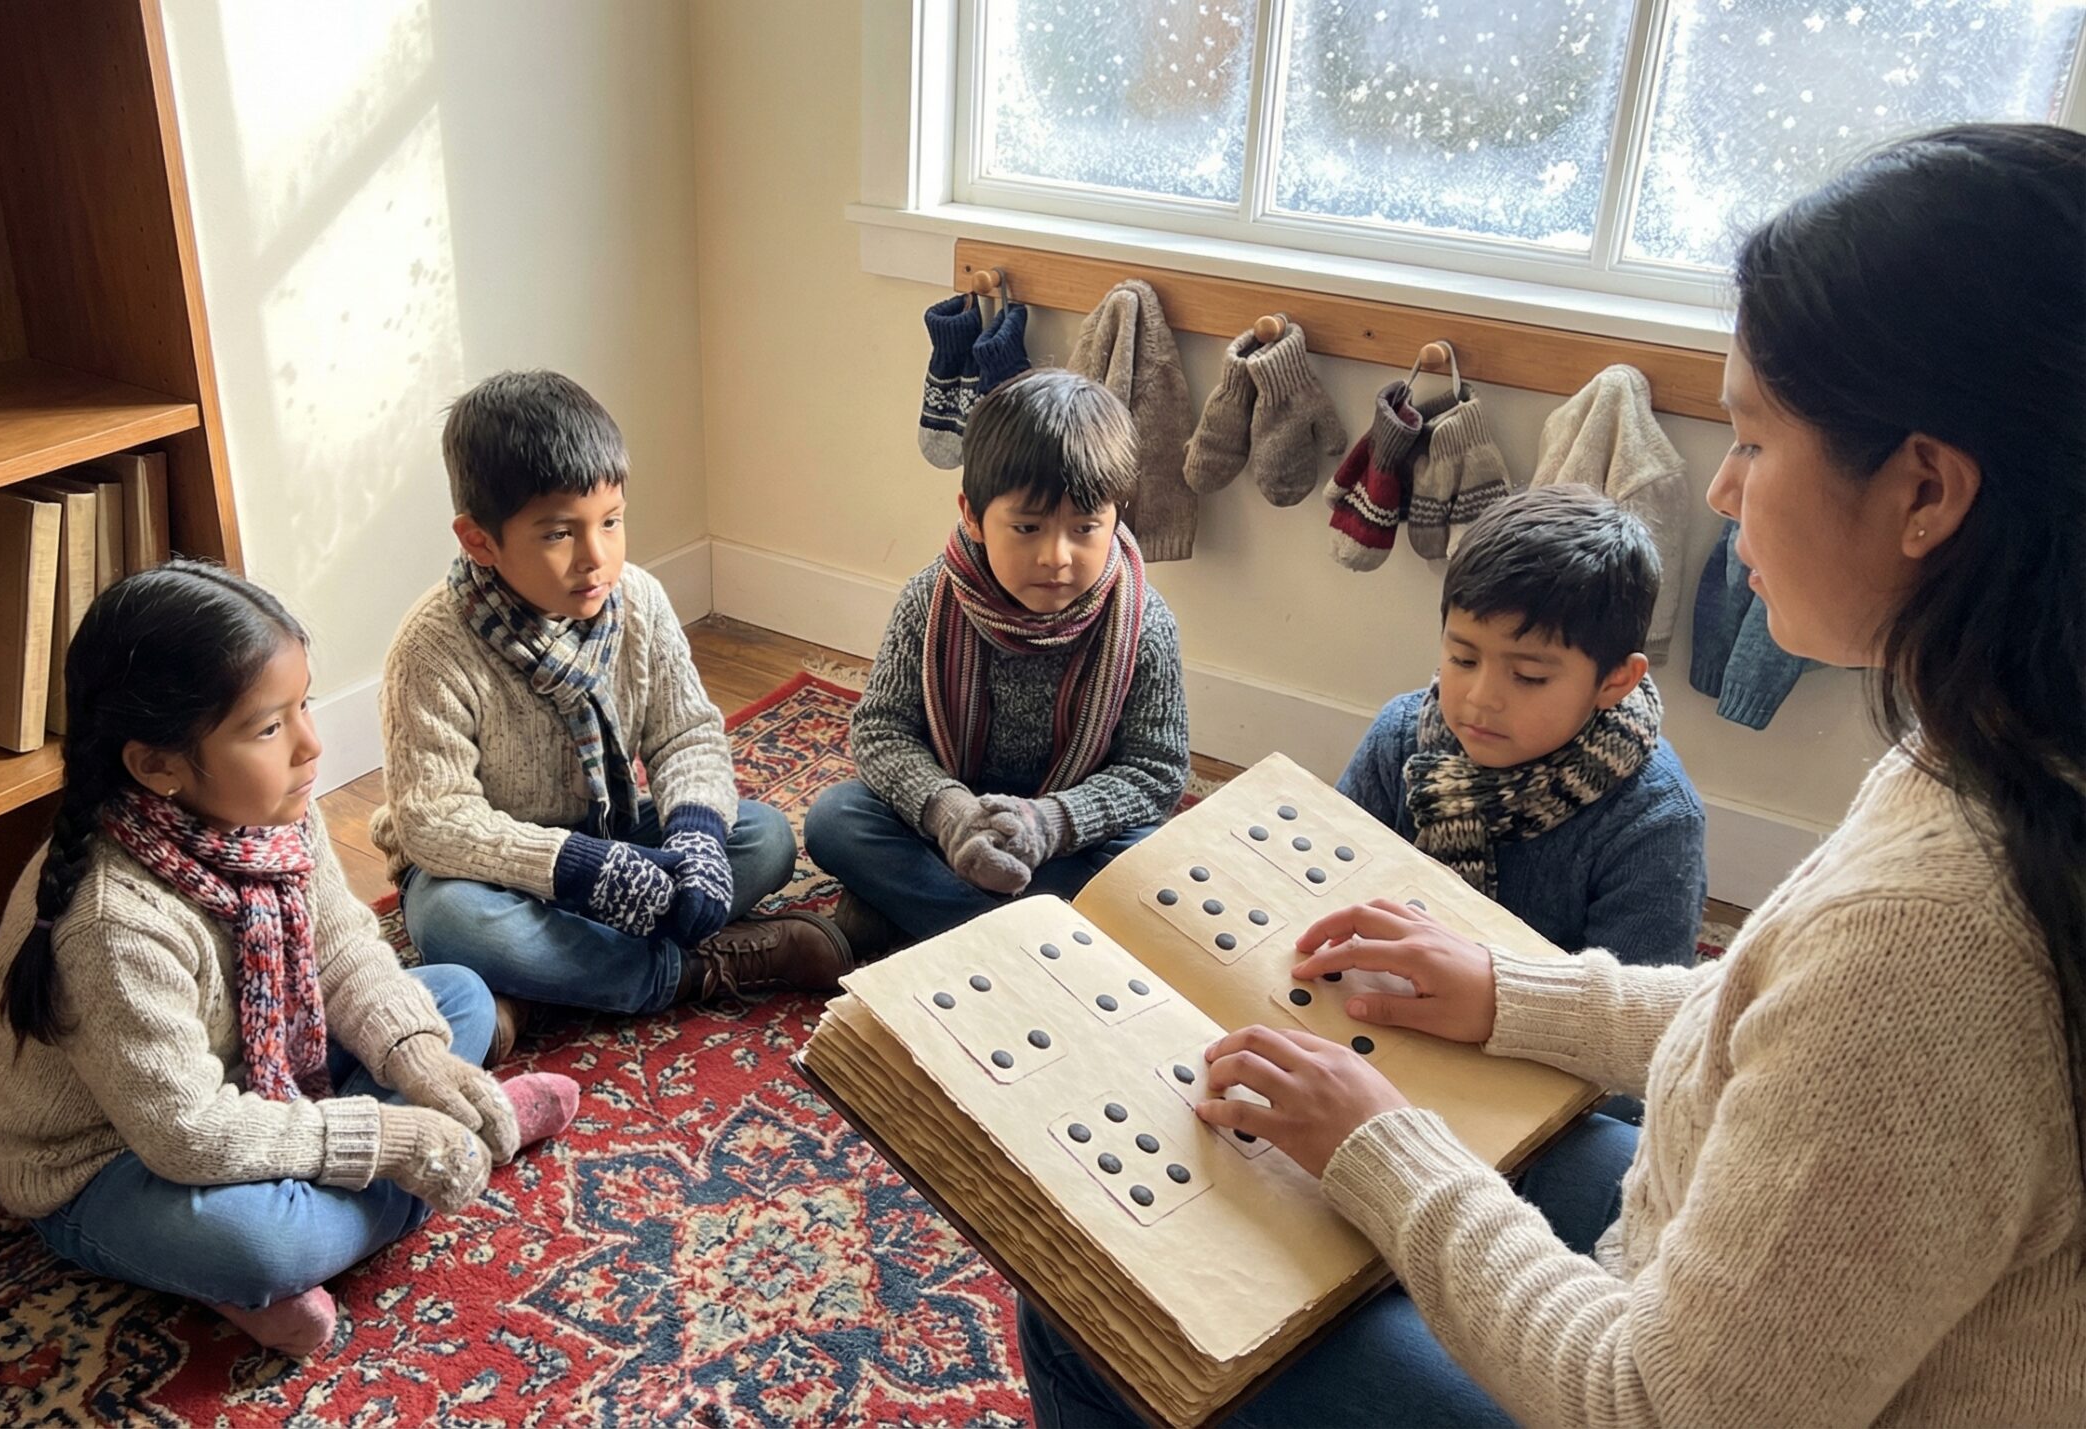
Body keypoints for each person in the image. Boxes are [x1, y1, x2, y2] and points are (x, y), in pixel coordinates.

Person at [1021, 123, 2086, 1427]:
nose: (1731, 490)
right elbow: (1767, 1027)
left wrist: (1378, 1148)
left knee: (1094, 1292)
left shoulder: (1929, 946)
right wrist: (1511, 994)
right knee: (1514, 1136)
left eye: (1753, 440)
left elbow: (1649, 1403)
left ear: (1926, 490)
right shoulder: (2000, 747)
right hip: (1736, 1302)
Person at [0, 562, 579, 1360]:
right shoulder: (112, 925)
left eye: (304, 705)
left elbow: (340, 948)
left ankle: (424, 1144)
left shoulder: (270, 809)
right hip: (115, 1158)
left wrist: (424, 1065)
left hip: (261, 1073)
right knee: (262, 1247)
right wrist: (392, 1140)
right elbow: (188, 1135)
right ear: (155, 765)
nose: (311, 744)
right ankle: (385, 1192)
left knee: (456, 999)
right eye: (269, 727)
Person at [375, 370, 849, 1057]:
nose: (595, 557)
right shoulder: (432, 645)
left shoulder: (642, 602)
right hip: (493, 869)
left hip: (615, 834)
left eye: (611, 521)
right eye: (559, 533)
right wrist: (574, 869)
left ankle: (540, 986)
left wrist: (693, 838)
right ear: (479, 540)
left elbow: (687, 735)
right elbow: (435, 822)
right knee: (454, 924)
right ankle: (702, 967)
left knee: (762, 838)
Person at [805, 367, 1189, 949]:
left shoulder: (1144, 624)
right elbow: (882, 732)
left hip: (1065, 834)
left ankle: (917, 915)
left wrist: (1049, 824)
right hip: (947, 817)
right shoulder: (932, 600)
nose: (1056, 557)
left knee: (1148, 861)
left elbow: (1156, 771)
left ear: (1118, 515)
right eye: (1028, 527)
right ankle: (1029, 939)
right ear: (972, 515)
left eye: (1085, 528)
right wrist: (951, 814)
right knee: (837, 819)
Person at [1336, 484, 1706, 970]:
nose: (1481, 697)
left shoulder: (1655, 822)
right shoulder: (1401, 738)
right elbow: (1332, 876)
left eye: (1529, 676)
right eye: (1463, 658)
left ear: (1615, 681)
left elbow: (1633, 1011)